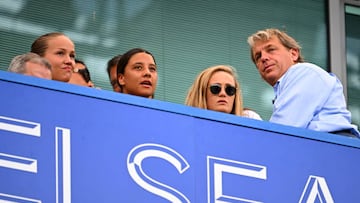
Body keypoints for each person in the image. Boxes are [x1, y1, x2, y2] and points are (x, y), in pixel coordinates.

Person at [247, 28, 360, 137]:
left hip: (334, 147)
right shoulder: (285, 87)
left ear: (294, 54)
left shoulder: (303, 72)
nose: (264, 58)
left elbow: (281, 131)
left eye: (271, 50)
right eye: (258, 57)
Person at [185, 65, 262, 120]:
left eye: (230, 89)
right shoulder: (185, 123)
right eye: (216, 88)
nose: (223, 93)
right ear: (201, 93)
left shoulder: (249, 118)